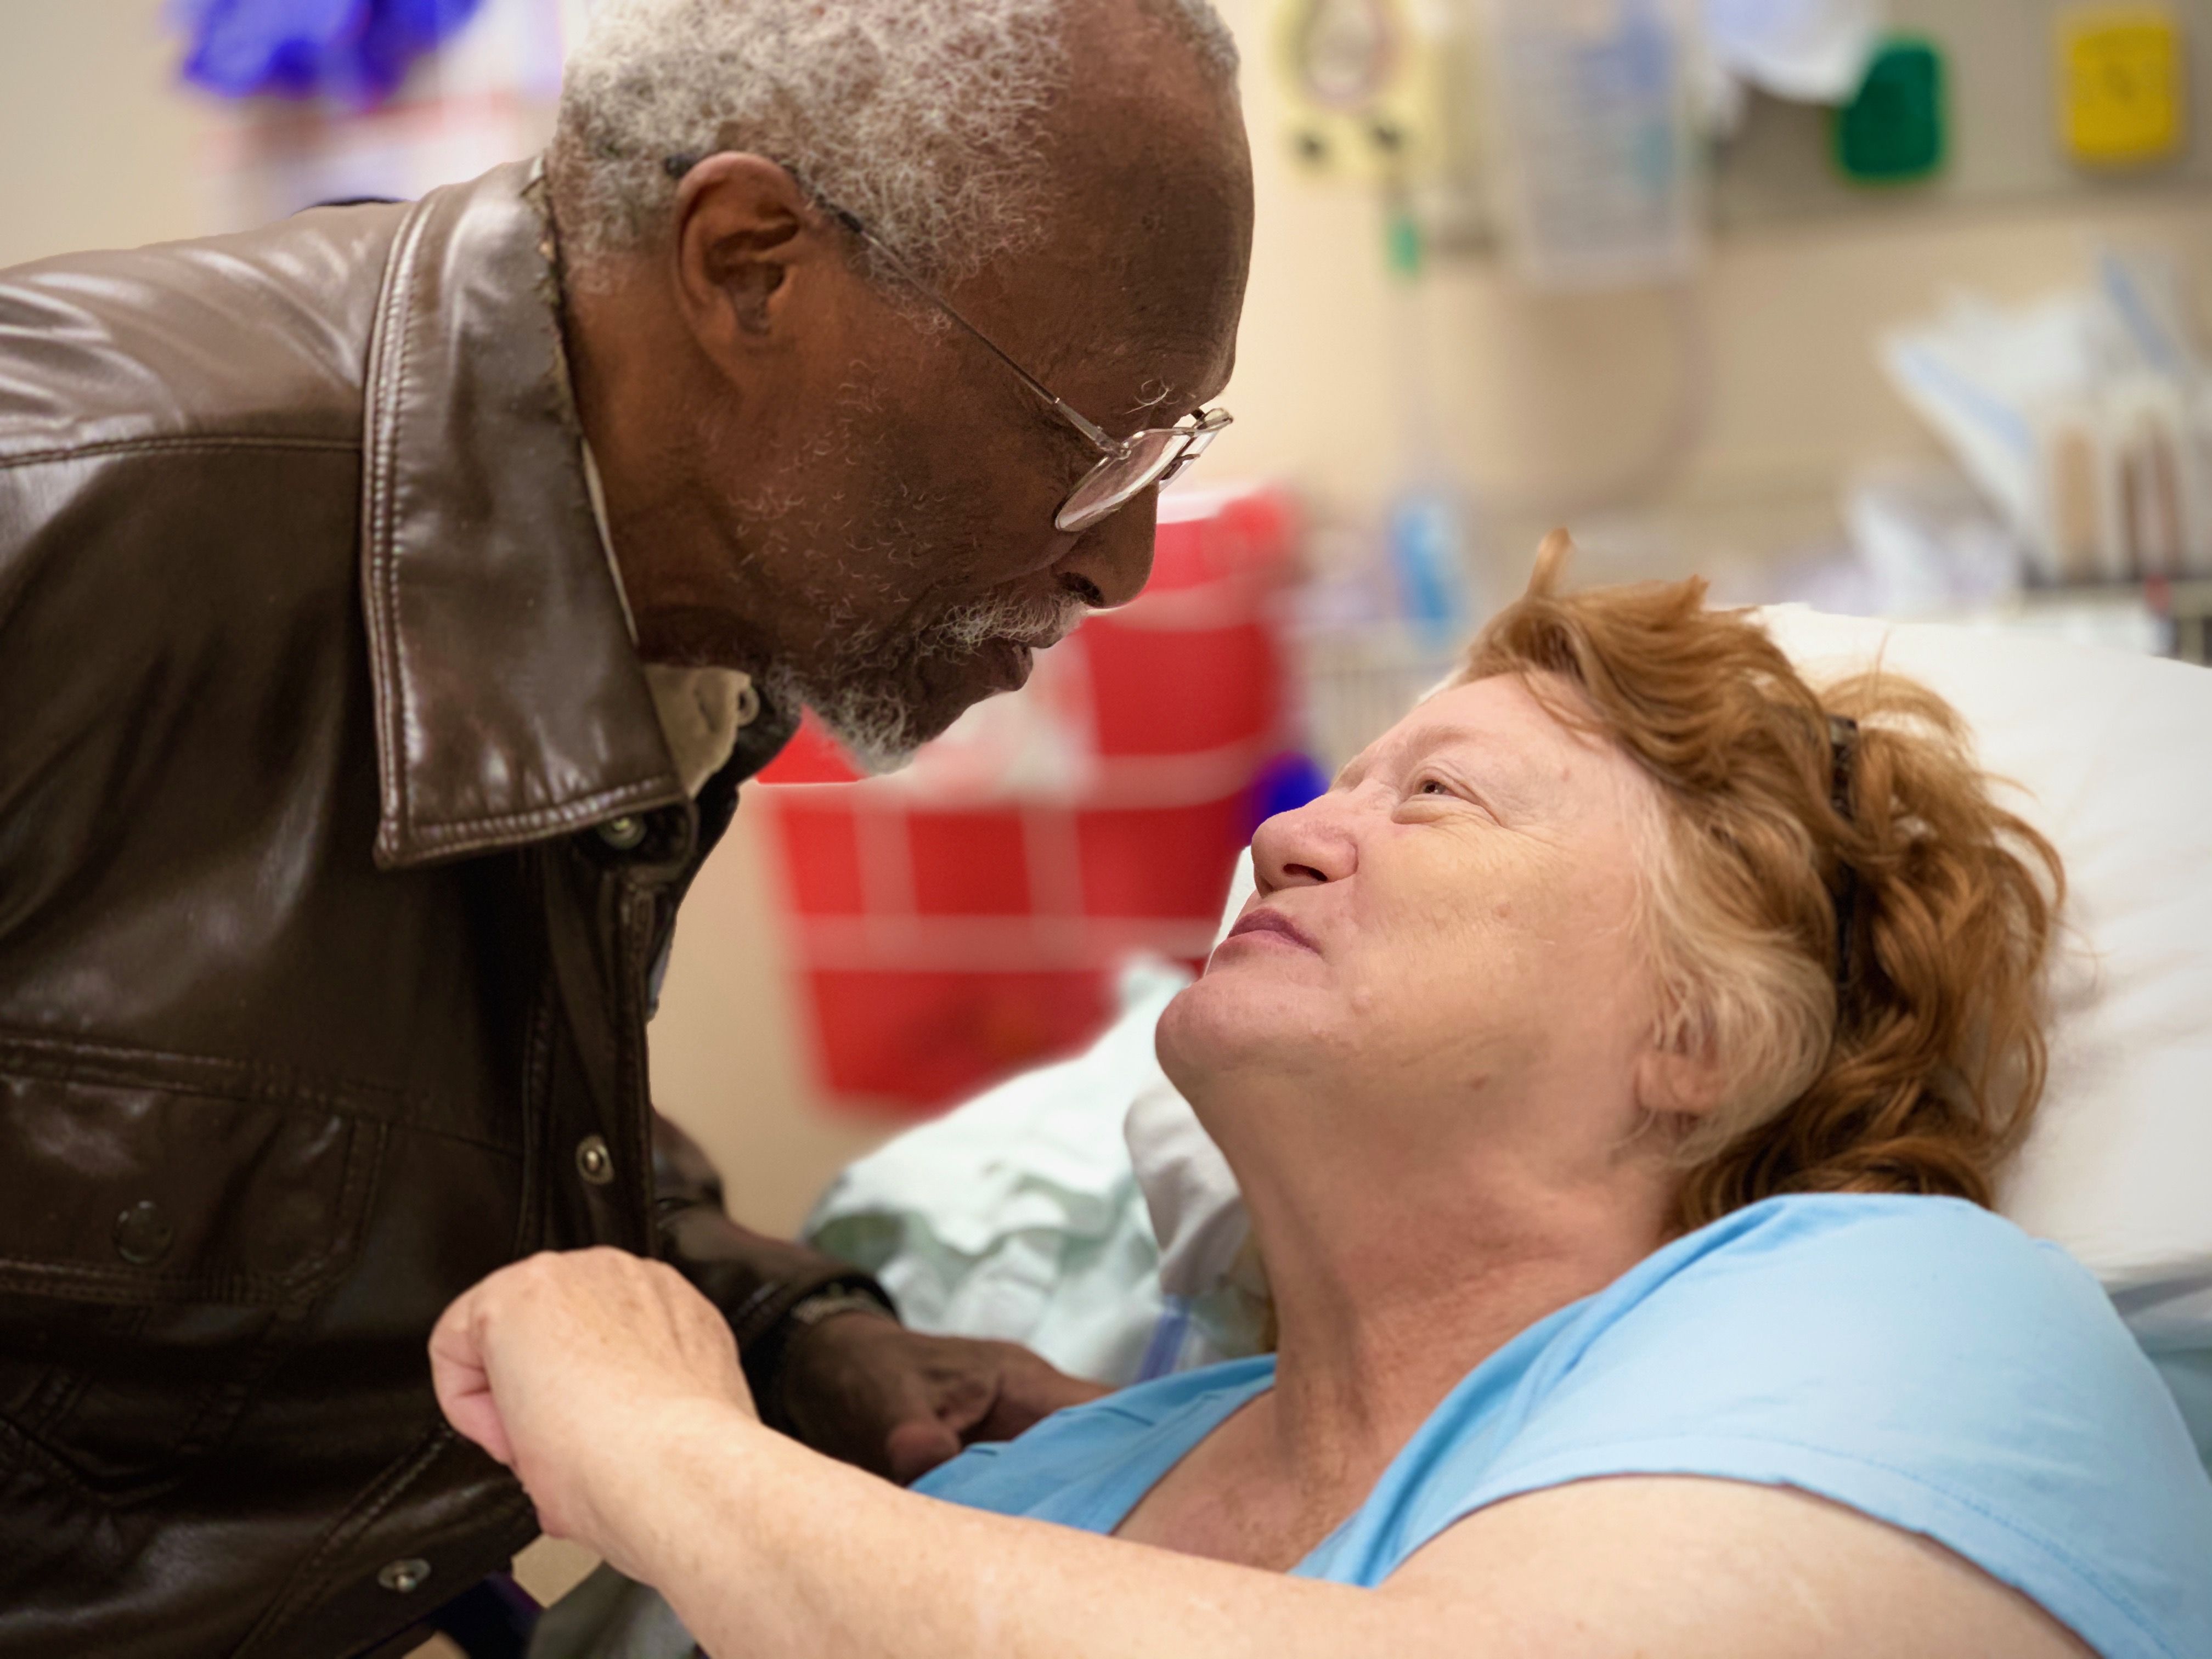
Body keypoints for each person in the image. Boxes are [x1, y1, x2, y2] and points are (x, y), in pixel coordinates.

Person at [0, 2, 1250, 1655]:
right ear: (750, 267)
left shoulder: (699, 603)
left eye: (1177, 446)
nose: (1127, 562)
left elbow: (392, 1113)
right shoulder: (64, 509)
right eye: (1094, 444)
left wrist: (784, 1335)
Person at [431, 538, 2212, 1659]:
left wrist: (668, 1449)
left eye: (1440, 795)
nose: (1282, 833)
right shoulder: (1043, 1485)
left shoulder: (1916, 1314)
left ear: (1708, 1030)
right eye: (1342, 785)